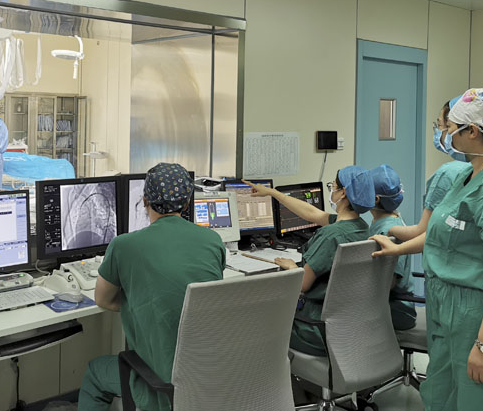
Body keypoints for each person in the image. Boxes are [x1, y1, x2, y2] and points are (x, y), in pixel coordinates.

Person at [372, 88, 483, 411]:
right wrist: (397, 250)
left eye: (449, 128)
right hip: (448, 311)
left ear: (472, 131)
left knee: (482, 401)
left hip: (481, 315)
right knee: (441, 397)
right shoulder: (466, 175)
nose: (445, 134)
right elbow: (443, 235)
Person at [79, 163, 226, 411]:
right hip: (207, 377)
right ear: (187, 203)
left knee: (95, 371)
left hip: (159, 385)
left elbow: (103, 300)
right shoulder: (212, 240)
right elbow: (199, 296)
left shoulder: (124, 245)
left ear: (145, 200)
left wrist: (142, 302)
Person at [244, 166, 375, 355]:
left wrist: (292, 267)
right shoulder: (361, 227)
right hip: (346, 327)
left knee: (255, 315)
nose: (331, 190)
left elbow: (302, 285)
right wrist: (272, 193)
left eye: (333, 186)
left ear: (343, 193)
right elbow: (312, 213)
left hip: (313, 328)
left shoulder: (330, 235)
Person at [389, 96, 470, 241]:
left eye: (441, 125)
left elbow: (423, 232)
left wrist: (387, 228)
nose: (437, 131)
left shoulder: (449, 173)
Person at [367, 164, 416, 330]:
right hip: (388, 305)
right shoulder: (389, 220)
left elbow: (390, 282)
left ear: (375, 199)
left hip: (395, 310)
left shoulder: (388, 230)